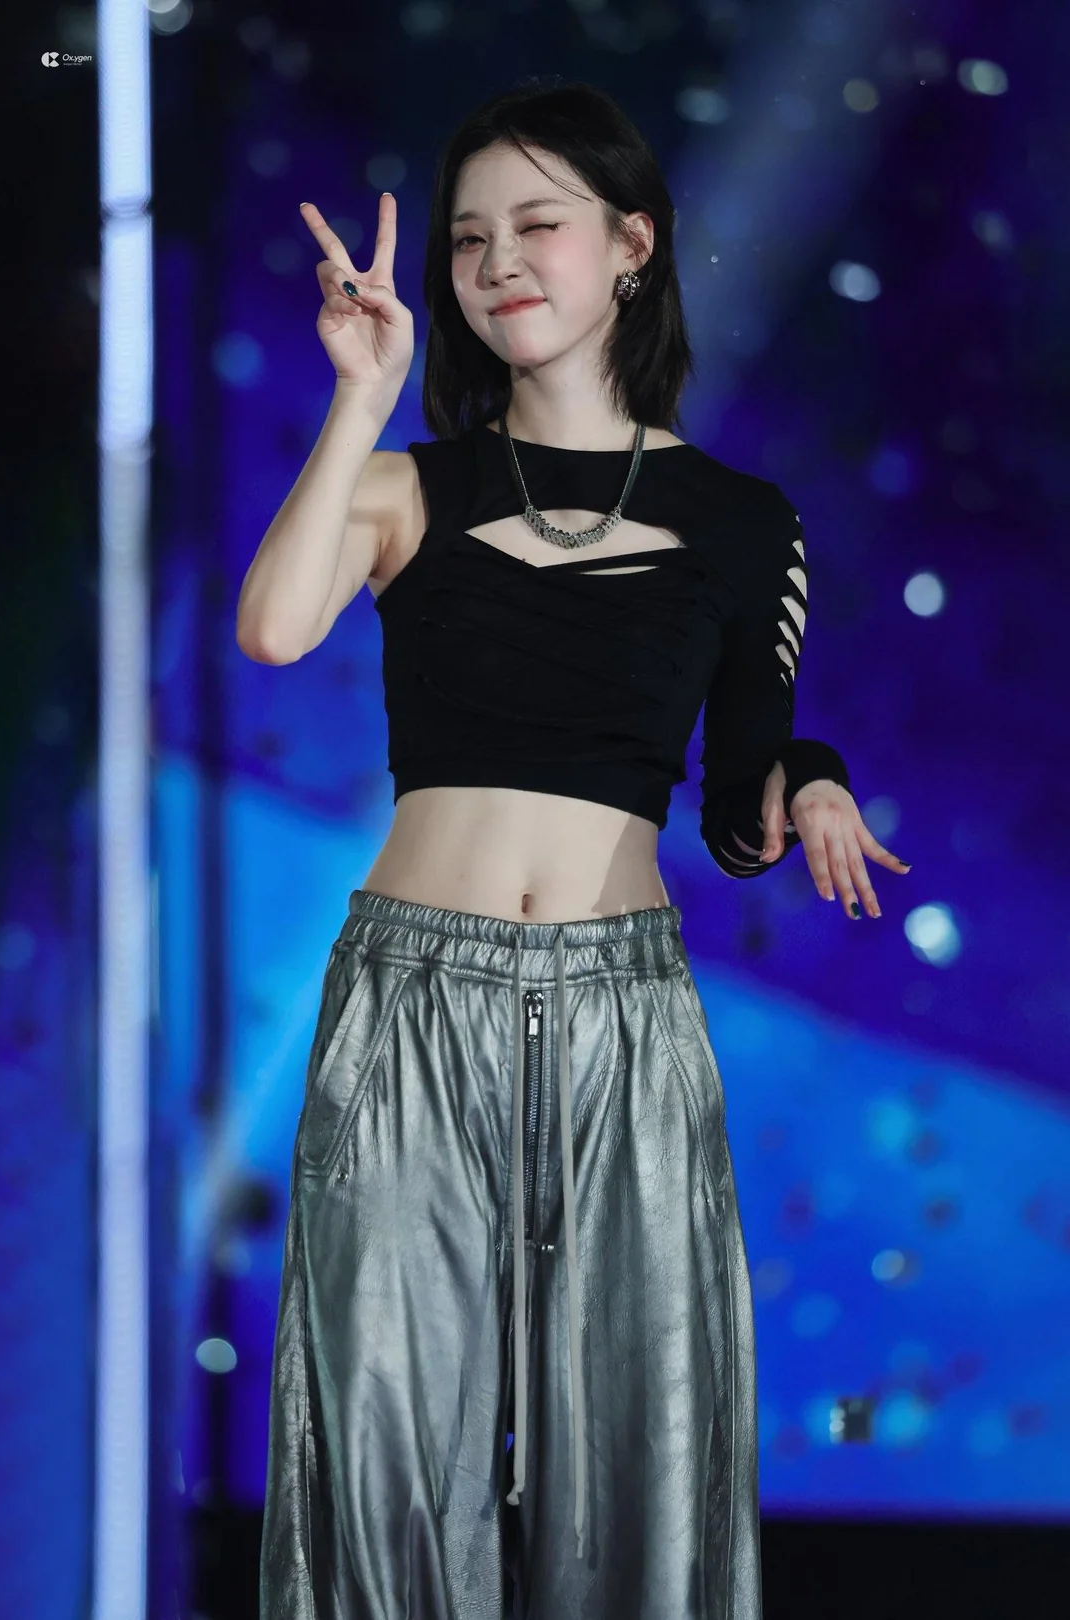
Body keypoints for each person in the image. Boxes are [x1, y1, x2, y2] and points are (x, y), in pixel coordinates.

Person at [238, 76, 909, 1620]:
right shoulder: (411, 483)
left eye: (536, 224)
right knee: (386, 1455)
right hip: (411, 1010)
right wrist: (360, 396)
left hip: (625, 1021)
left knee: (641, 1460)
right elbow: (272, 631)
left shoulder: (744, 522)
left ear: (631, 244)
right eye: (469, 238)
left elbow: (739, 793)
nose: (497, 263)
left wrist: (810, 785)